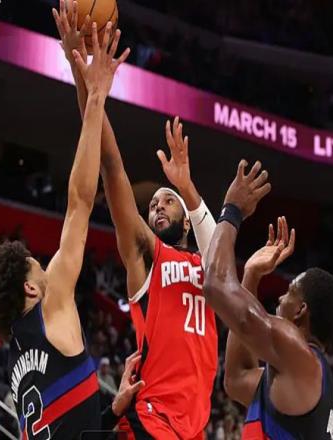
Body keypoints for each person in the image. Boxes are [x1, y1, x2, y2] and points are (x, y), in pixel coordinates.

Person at [54, 2, 219, 438]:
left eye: (167, 202)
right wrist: (84, 78)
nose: (157, 207)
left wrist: (187, 188)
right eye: (152, 206)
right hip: (151, 420)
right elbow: (111, 167)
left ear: (188, 221)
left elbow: (224, 253)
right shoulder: (148, 254)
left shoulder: (212, 268)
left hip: (192, 429)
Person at [0, 17, 131, 439]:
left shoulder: (16, 360)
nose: (48, 266)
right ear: (31, 288)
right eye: (38, 265)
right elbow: (80, 202)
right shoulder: (50, 305)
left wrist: (111, 410)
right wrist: (96, 94)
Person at [203, 160, 333, 439]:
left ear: (301, 310)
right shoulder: (298, 373)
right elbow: (235, 379)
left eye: (289, 291)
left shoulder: (300, 356)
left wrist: (231, 210)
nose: (280, 298)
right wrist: (251, 276)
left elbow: (215, 285)